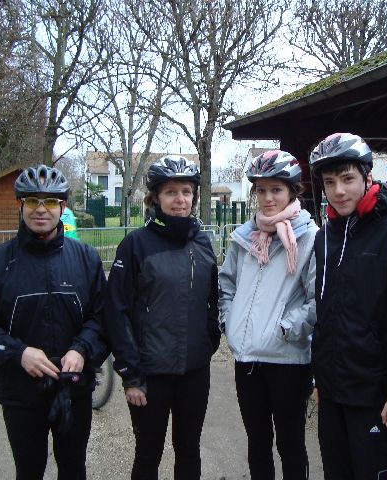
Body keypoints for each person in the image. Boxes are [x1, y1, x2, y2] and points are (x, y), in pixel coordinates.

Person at [0, 165, 107, 480]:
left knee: (74, 470)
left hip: (73, 389)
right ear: (20, 204)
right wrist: (19, 353)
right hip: (21, 394)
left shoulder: (86, 260)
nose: (41, 209)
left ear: (63, 207)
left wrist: (82, 349)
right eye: (32, 201)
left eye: (50, 201)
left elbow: (102, 317)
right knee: (29, 471)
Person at [104, 155, 220, 480]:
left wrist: (209, 341)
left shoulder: (203, 242)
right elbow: (116, 311)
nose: (180, 199)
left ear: (195, 196)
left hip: (194, 371)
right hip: (150, 375)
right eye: (171, 192)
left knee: (189, 450)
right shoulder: (135, 245)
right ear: (155, 198)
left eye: (186, 191)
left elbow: (212, 300)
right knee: (148, 454)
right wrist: (130, 374)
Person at [309, 133, 387, 480]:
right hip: (332, 393)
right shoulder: (324, 237)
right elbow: (325, 313)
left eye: (347, 179)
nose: (339, 191)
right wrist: (320, 377)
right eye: (329, 182)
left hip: (375, 396)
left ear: (368, 177)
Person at [219, 150, 318, 480]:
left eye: (276, 189)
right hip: (248, 360)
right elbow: (227, 284)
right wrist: (229, 322)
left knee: (291, 444)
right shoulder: (244, 236)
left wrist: (286, 329)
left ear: (292, 192)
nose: (267, 198)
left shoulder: (309, 237)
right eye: (261, 190)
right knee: (257, 442)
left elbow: (317, 299)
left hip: (287, 360)